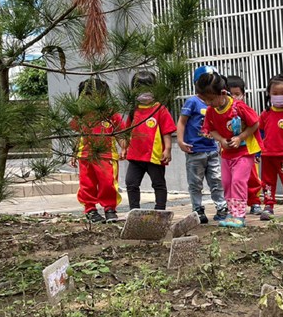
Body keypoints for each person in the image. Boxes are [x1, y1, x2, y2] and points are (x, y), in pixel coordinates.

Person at [197, 70, 259, 228]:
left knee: (238, 181)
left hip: (245, 152)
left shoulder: (239, 107)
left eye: (211, 99)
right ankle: (232, 213)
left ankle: (239, 216)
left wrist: (240, 138)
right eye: (205, 100)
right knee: (226, 182)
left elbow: (255, 123)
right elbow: (210, 129)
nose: (208, 103)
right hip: (227, 154)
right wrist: (221, 140)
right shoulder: (211, 111)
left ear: (223, 93)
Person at [177, 66, 228, 224]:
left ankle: (221, 207)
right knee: (195, 183)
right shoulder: (192, 102)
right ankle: (198, 209)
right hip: (195, 150)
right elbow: (182, 121)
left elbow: (219, 124)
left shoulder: (215, 102)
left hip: (211, 149)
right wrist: (180, 141)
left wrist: (220, 141)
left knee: (216, 180)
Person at [71, 78, 124, 223]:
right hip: (85, 154)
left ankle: (110, 209)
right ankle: (90, 210)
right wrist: (74, 152)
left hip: (106, 154)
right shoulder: (81, 114)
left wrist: (124, 147)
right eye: (88, 95)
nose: (92, 99)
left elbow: (120, 132)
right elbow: (79, 134)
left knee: (108, 182)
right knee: (87, 183)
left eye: (96, 95)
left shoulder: (111, 113)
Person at [124, 71, 176, 211]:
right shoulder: (133, 110)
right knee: (131, 183)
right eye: (140, 88)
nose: (144, 92)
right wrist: (123, 148)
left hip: (154, 155)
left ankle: (160, 210)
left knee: (158, 183)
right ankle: (134, 211)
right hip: (135, 156)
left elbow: (167, 131)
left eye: (147, 88)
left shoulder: (160, 109)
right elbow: (126, 132)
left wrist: (168, 149)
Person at [258, 74, 283, 220]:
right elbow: (259, 133)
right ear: (269, 93)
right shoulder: (265, 114)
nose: (279, 96)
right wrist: (258, 151)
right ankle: (268, 206)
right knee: (267, 183)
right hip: (267, 155)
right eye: (275, 93)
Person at [227, 76, 264, 216]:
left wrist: (258, 152)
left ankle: (255, 202)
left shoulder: (246, 109)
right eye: (231, 94)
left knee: (253, 177)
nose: (234, 97)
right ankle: (235, 205)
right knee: (233, 179)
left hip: (248, 150)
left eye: (237, 94)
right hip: (231, 151)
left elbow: (256, 127)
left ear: (244, 94)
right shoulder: (223, 112)